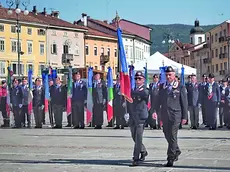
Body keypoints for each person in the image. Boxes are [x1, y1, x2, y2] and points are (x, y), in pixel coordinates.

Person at [155, 66, 188, 167]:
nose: (168, 76)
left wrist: (185, 117)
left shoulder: (180, 87)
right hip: (165, 114)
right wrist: (155, 111)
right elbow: (158, 100)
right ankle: (176, 150)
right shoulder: (162, 86)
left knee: (173, 136)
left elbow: (184, 103)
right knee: (166, 133)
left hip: (176, 115)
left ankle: (170, 158)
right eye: (167, 75)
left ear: (174, 75)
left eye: (170, 75)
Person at [129, 71, 149, 166]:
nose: (137, 80)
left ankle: (136, 158)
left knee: (138, 137)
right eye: (136, 79)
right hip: (133, 116)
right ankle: (143, 151)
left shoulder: (145, 89)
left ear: (143, 80)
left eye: (139, 79)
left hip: (141, 117)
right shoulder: (133, 89)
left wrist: (130, 93)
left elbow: (144, 94)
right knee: (134, 136)